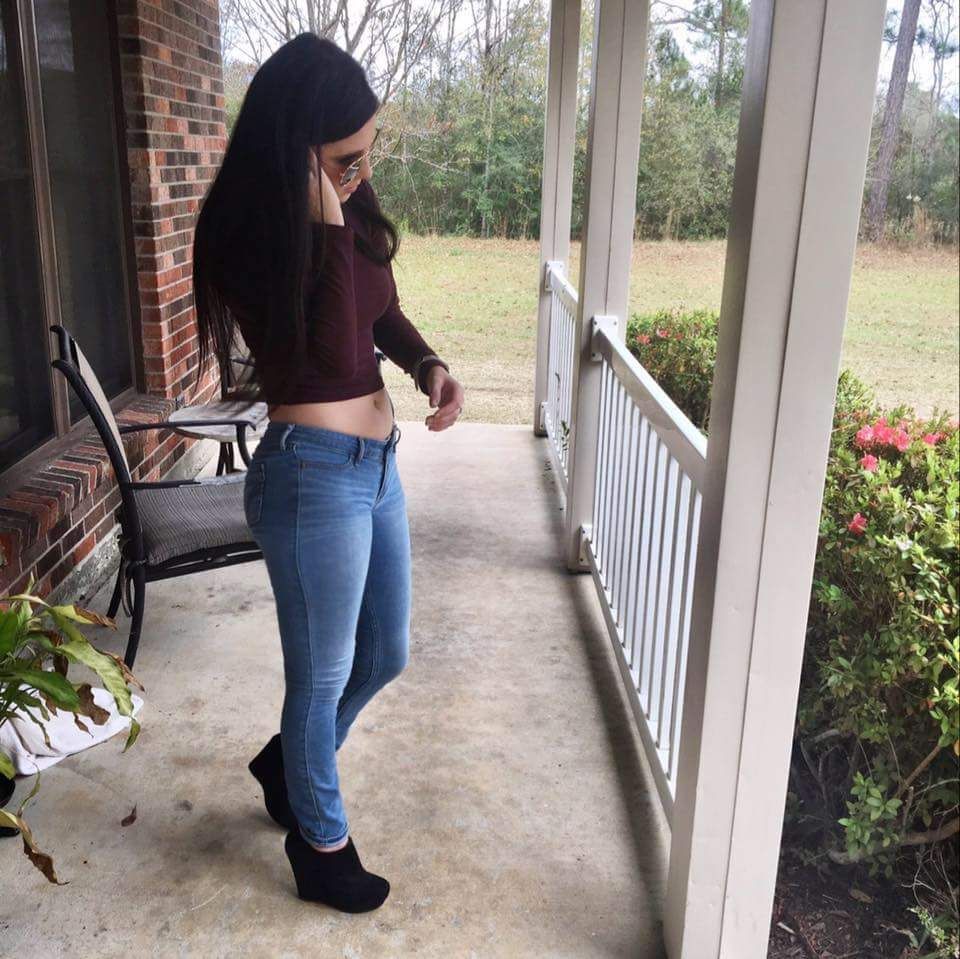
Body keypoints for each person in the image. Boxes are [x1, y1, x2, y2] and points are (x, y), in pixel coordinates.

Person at [192, 33, 466, 913]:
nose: (361, 174)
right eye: (345, 160)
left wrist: (425, 363)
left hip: (376, 466)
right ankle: (320, 843)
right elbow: (331, 350)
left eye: (368, 154)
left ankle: (288, 765)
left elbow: (378, 310)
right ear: (294, 152)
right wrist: (324, 219)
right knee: (317, 678)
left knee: (386, 652)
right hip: (311, 477)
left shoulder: (342, 204)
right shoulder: (250, 237)